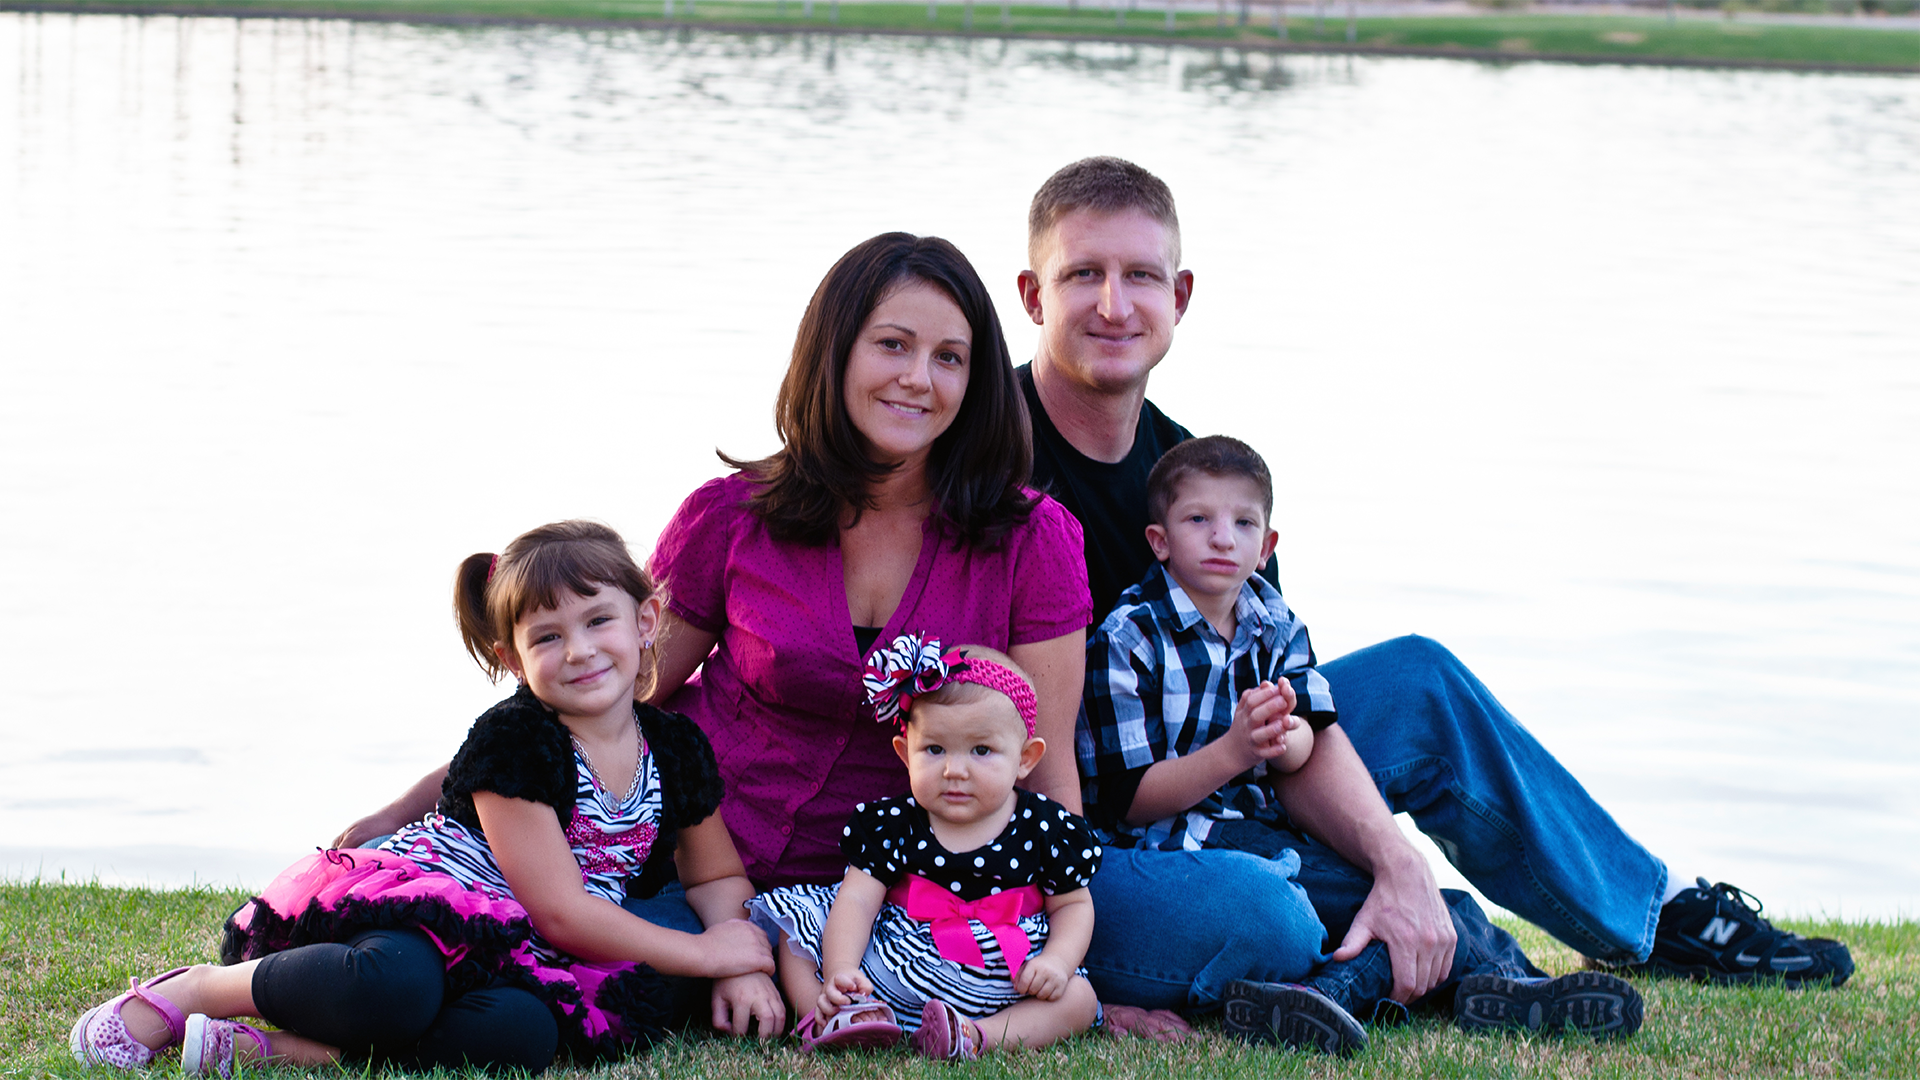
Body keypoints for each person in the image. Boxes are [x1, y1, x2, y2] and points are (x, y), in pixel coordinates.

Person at [1014, 156, 1852, 1038]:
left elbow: (1296, 704)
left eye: (1140, 275)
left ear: (1180, 294)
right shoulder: (991, 455)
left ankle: (1658, 915)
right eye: (1084, 276)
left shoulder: (1190, 478)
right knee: (1263, 898)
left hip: (1217, 773)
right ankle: (1428, 954)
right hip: (1082, 833)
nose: (1114, 304)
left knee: (1417, 681)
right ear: (1035, 295)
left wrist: (1396, 859)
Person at [335, 233, 1094, 1035]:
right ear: (833, 353)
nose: (918, 378)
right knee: (554, 987)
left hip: (905, 894)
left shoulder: (1032, 538)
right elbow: (602, 700)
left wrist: (1068, 958)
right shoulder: (730, 516)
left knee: (1234, 915)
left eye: (950, 358)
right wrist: (413, 801)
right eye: (892, 345)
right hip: (699, 869)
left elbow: (1048, 762)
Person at [73, 522, 778, 1075]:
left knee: (519, 1034)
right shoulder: (518, 739)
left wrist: (741, 954)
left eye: (599, 621)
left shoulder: (676, 748)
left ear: (647, 620)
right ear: (513, 659)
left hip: (533, 943)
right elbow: (561, 911)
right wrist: (706, 956)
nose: (581, 651)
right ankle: (197, 991)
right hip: (445, 899)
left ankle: (276, 1054)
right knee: (395, 988)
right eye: (548, 636)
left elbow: (715, 875)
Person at [1081, 436, 1643, 1053]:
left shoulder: (1273, 620)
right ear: (1159, 540)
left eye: (1243, 524)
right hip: (1175, 842)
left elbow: (1310, 743)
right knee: (1347, 895)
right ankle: (1499, 977)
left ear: (1267, 547)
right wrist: (1235, 751)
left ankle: (1385, 990)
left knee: (1359, 885)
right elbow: (1128, 800)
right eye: (1199, 521)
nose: (1222, 538)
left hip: (1263, 824)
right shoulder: (1128, 640)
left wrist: (1283, 736)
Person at [751, 637, 1101, 1060]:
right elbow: (858, 899)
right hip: (899, 961)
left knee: (1079, 998)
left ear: (1026, 758)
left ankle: (975, 1035)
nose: (955, 770)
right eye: (934, 749)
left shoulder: (1045, 826)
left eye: (982, 750)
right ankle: (835, 1013)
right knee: (798, 927)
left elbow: (1072, 906)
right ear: (905, 753)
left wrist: (1058, 963)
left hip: (1005, 972)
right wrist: (842, 968)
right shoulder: (894, 823)